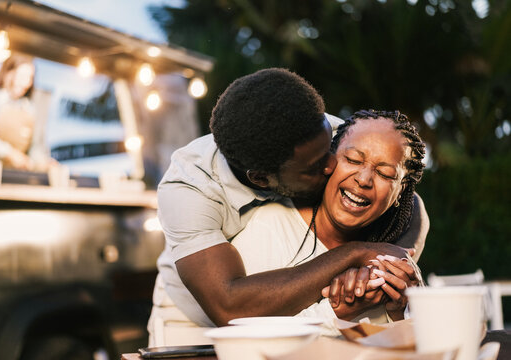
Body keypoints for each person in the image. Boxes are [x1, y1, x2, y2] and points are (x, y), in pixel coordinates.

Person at [147, 69, 427, 346]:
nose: (331, 165)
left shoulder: (313, 132)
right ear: (260, 179)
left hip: (295, 321)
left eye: (331, 151)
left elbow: (407, 198)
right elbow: (230, 308)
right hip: (192, 322)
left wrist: (390, 264)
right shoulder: (189, 188)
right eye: (315, 167)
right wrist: (355, 253)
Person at [231, 109, 427, 333]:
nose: (364, 179)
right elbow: (239, 339)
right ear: (328, 161)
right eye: (353, 160)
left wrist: (402, 312)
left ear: (400, 193)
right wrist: (336, 313)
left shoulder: (388, 265)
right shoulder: (269, 227)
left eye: (384, 174)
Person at [0, 54, 54, 171]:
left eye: (30, 78)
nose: (26, 84)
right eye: (22, 76)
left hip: (17, 175)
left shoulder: (28, 107)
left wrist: (42, 162)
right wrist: (9, 153)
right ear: (8, 74)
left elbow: (34, 147)